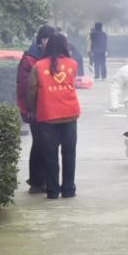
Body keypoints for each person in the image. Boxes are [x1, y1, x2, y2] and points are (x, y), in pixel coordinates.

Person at [25, 33, 82, 199]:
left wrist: (33, 108)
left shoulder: (38, 66)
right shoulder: (73, 63)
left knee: (50, 155)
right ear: (64, 46)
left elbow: (31, 90)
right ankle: (68, 189)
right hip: (69, 114)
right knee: (69, 153)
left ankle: (52, 190)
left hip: (47, 115)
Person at [17, 25, 56, 193]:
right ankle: (38, 181)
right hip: (34, 108)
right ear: (41, 40)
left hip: (50, 108)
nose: (50, 42)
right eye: (47, 38)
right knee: (41, 142)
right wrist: (29, 108)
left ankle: (40, 180)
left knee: (45, 143)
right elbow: (24, 86)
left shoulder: (54, 57)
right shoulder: (30, 59)